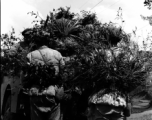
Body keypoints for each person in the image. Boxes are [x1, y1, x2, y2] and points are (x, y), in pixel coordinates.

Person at [22, 29, 65, 120]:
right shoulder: (57, 54)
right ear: (48, 41)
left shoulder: (30, 55)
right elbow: (63, 72)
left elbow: (25, 76)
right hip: (52, 93)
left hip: (36, 93)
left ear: (36, 41)